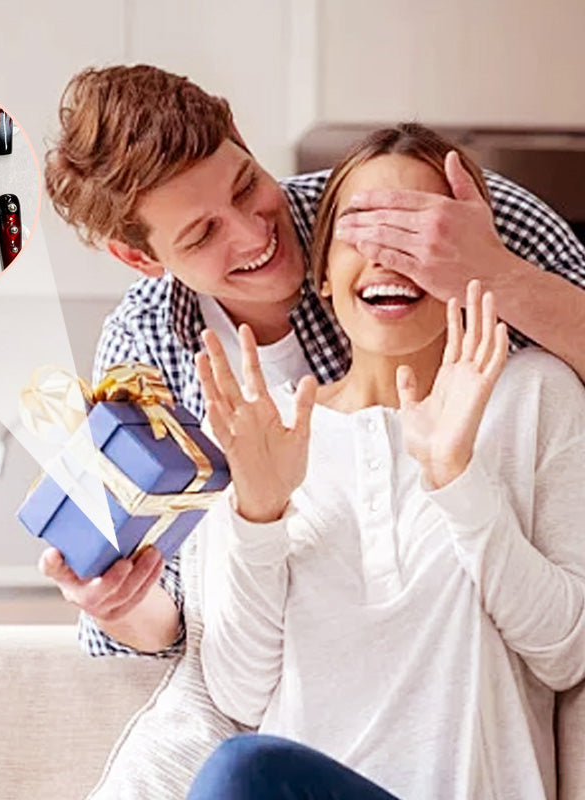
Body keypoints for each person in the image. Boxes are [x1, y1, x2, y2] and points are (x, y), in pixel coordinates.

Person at [41, 64, 585, 659]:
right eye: (202, 235)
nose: (253, 235)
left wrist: (498, 275)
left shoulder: (424, 214)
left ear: (240, 137)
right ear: (139, 257)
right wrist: (121, 604)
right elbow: (174, 623)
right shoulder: (144, 350)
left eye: (246, 186)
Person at [186, 123, 585, 799]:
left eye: (415, 230)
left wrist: (458, 478)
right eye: (362, 228)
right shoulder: (264, 428)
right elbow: (238, 692)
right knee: (239, 770)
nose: (388, 256)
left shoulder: (532, 394)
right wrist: (259, 511)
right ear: (320, 274)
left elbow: (566, 655)